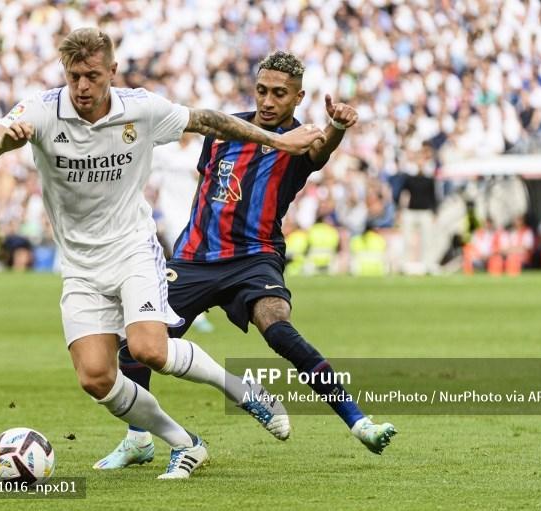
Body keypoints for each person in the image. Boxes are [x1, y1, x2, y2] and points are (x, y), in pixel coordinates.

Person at [0, 30, 323, 480]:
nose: (82, 86)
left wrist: (279, 141)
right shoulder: (41, 110)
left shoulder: (140, 108)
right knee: (96, 378)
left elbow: (209, 121)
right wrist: (3, 143)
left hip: (133, 249)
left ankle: (242, 391)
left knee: (149, 349)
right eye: (74, 76)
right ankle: (185, 442)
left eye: (92, 76)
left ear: (111, 72)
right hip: (80, 266)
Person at [96, 51, 396, 470]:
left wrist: (337, 127)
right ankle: (138, 439)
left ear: (298, 98)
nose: (268, 101)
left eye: (280, 94)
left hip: (255, 257)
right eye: (262, 91)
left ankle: (359, 422)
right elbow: (209, 185)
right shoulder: (223, 130)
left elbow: (321, 149)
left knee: (278, 328)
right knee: (136, 344)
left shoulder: (299, 139)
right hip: (197, 258)